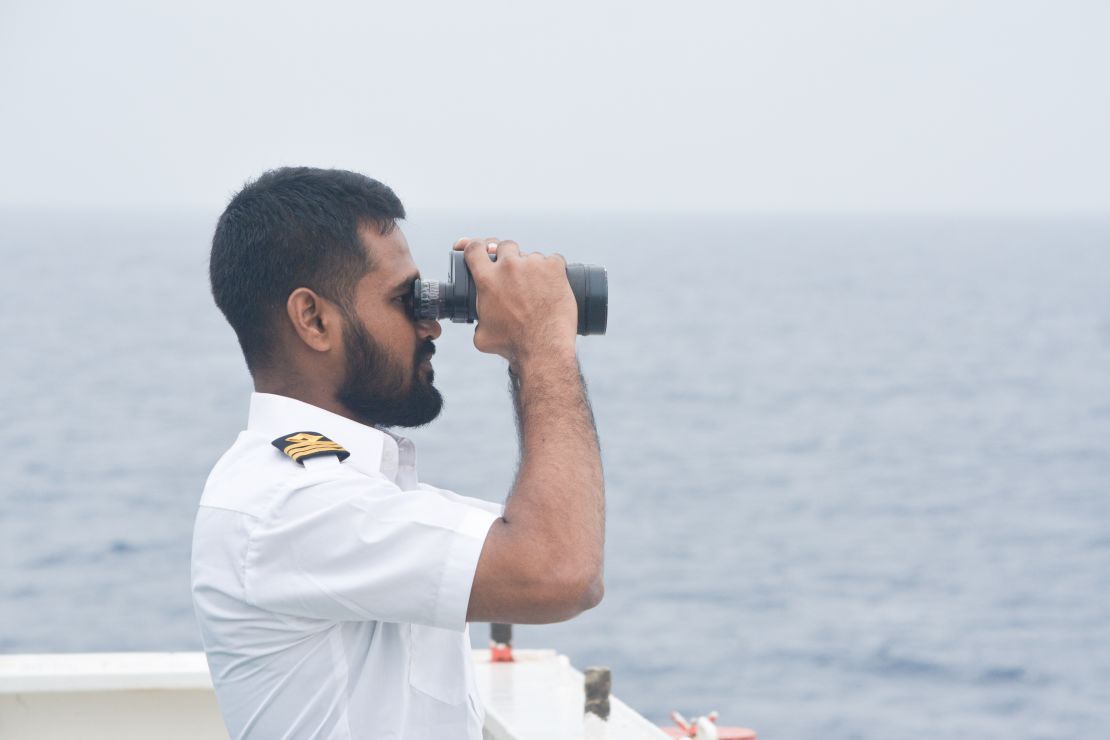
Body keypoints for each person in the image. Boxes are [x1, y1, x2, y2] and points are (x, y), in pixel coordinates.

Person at [190, 167, 605, 739]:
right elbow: (560, 571)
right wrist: (539, 344)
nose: (431, 323)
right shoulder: (289, 503)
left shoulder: (343, 490)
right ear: (314, 319)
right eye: (403, 299)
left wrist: (534, 345)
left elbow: (544, 541)